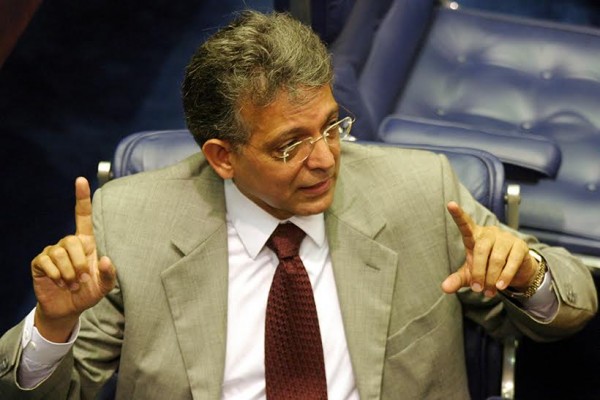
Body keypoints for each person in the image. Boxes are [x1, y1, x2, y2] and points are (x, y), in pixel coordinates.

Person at [0, 10, 597, 400]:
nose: (326, 158)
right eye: (291, 145)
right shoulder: (133, 222)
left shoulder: (419, 191)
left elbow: (574, 305)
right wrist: (54, 326)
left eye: (332, 126)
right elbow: (50, 392)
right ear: (222, 156)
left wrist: (527, 273)